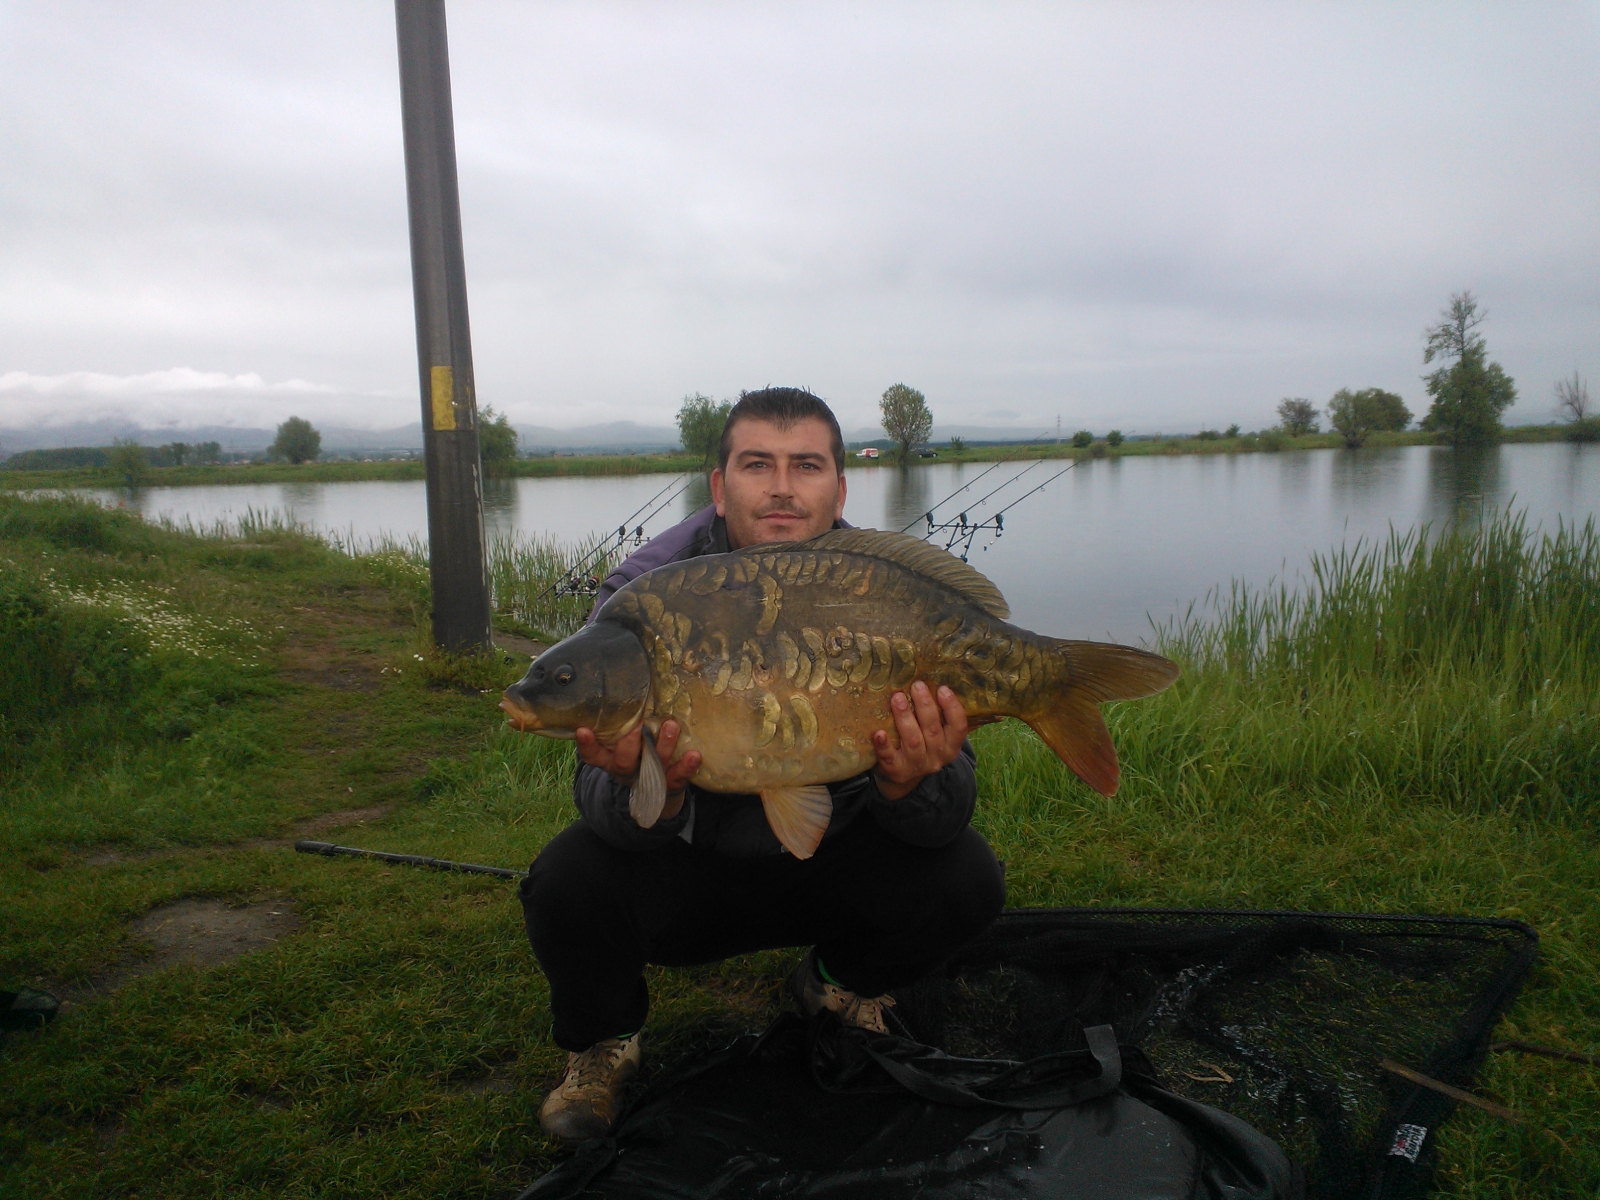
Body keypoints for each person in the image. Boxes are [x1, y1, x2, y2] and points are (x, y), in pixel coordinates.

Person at [521, 387, 1006, 1140]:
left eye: (805, 465)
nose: (782, 488)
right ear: (720, 487)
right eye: (758, 465)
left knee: (966, 874)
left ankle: (835, 986)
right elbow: (596, 795)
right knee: (567, 879)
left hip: (834, 859)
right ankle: (603, 1044)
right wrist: (646, 789)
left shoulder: (886, 590)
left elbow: (950, 807)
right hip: (691, 875)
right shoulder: (640, 602)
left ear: (839, 489)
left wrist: (911, 782)